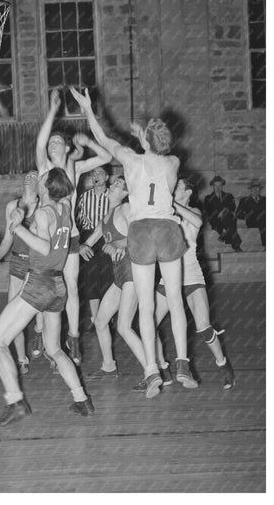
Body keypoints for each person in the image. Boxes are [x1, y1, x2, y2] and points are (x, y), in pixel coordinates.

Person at [71, 87, 197, 398]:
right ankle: (182, 363)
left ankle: (152, 369)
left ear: (143, 142)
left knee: (147, 305)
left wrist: (88, 108)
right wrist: (146, 134)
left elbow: (103, 139)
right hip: (168, 230)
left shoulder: (130, 160)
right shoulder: (173, 164)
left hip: (141, 231)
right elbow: (158, 148)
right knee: (176, 301)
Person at [0, 167, 94, 427]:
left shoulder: (44, 214)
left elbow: (45, 247)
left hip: (40, 282)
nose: (38, 181)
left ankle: (16, 402)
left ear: (45, 188)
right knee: (54, 348)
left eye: (41, 179)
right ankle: (82, 400)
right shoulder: (64, 209)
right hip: (58, 284)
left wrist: (17, 227)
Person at [35, 88, 111, 366]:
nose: (52, 144)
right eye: (51, 142)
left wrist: (86, 140)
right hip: (46, 236)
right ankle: (42, 335)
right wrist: (52, 111)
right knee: (48, 290)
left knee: (71, 288)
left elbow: (105, 157)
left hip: (71, 236)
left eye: (58, 142)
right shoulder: (44, 168)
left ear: (67, 148)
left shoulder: (76, 169)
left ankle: (75, 339)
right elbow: (40, 142)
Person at [82, 175, 171, 393]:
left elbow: (143, 233)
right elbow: (93, 237)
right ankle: (109, 366)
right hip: (120, 275)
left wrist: (123, 244)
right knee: (101, 321)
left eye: (119, 185)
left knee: (123, 325)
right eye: (114, 183)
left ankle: (152, 374)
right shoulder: (107, 216)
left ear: (125, 193)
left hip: (133, 271)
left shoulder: (127, 208)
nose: (113, 186)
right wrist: (80, 246)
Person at [154, 178, 235, 389]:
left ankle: (223, 365)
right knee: (148, 323)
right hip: (168, 277)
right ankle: (163, 367)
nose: (173, 188)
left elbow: (198, 223)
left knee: (204, 328)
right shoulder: (167, 213)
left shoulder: (194, 212)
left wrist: (171, 204)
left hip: (191, 277)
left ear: (188, 193)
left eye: (178, 186)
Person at [0, 170, 44, 373]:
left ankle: (48, 346)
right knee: (12, 311)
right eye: (28, 175)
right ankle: (22, 359)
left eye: (35, 175)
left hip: (37, 265)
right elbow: (7, 238)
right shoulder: (12, 206)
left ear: (41, 183)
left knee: (43, 311)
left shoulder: (44, 207)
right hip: (17, 263)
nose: (30, 177)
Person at [76, 166, 114, 329]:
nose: (96, 175)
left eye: (99, 173)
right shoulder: (84, 197)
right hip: (89, 237)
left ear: (106, 177)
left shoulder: (112, 195)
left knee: (107, 277)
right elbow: (78, 221)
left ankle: (106, 317)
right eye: (93, 173)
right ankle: (94, 317)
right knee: (90, 278)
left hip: (108, 238)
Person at [204, 175, 242, 252]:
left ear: (222, 186)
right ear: (213, 186)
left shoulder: (228, 195)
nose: (218, 188)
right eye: (216, 185)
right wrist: (218, 213)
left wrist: (225, 210)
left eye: (220, 185)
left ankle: (225, 233)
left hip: (227, 218)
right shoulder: (208, 198)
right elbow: (208, 211)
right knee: (229, 220)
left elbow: (233, 206)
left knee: (228, 217)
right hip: (216, 219)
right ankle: (235, 244)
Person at [236, 179, 266, 249]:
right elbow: (238, 213)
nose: (256, 190)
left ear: (260, 189)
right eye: (254, 188)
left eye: (257, 188)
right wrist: (246, 216)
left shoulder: (265, 200)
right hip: (252, 220)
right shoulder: (244, 200)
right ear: (251, 189)